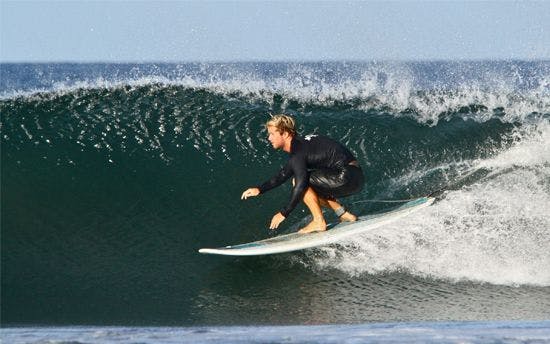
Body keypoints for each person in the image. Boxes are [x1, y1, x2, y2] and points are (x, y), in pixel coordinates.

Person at [241, 114, 364, 234]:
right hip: (356, 177)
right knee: (311, 185)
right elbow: (283, 175)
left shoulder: (298, 152)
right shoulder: (301, 146)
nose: (269, 138)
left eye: (272, 134)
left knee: (300, 182)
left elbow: (300, 185)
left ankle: (318, 221)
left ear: (285, 134)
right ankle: (344, 214)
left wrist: (284, 212)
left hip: (345, 177)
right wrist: (259, 189)